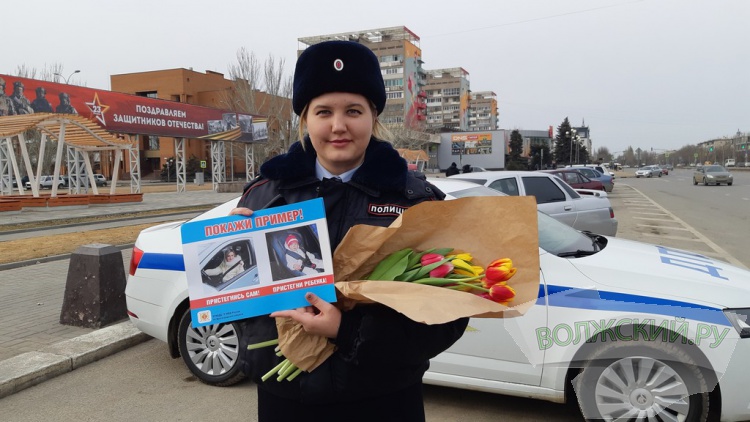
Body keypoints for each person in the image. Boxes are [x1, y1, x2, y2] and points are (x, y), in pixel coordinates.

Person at [229, 40, 468, 422]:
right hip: (285, 403)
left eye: (353, 111)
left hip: (383, 403)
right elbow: (236, 306)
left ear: (374, 116)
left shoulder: (417, 204)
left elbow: (447, 319)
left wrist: (348, 330)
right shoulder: (264, 196)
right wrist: (232, 252)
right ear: (305, 118)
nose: (338, 125)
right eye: (323, 111)